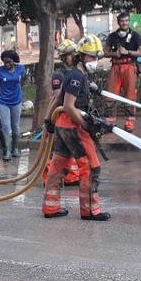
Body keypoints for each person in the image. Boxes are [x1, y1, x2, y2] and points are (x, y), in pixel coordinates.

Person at [42, 35, 111, 222]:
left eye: (96, 58)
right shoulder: (76, 77)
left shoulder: (76, 75)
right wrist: (87, 125)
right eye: (90, 57)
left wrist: (48, 120)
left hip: (62, 126)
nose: (94, 61)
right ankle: (89, 211)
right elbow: (69, 106)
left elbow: (58, 100)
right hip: (73, 126)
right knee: (90, 167)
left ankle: (51, 207)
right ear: (81, 56)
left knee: (58, 167)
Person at [44, 39, 82, 187]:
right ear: (64, 56)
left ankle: (70, 177)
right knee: (56, 151)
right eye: (72, 54)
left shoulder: (76, 72)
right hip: (59, 116)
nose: (75, 57)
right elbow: (58, 97)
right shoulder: (59, 75)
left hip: (71, 115)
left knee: (69, 150)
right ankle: (50, 179)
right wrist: (48, 120)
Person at [105, 13, 141, 132]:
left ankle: (129, 124)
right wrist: (114, 54)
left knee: (130, 97)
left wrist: (128, 52)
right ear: (118, 22)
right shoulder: (112, 36)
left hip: (129, 67)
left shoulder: (135, 36)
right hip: (115, 67)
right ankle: (109, 123)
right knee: (110, 96)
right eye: (122, 21)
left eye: (126, 20)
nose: (124, 23)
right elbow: (104, 52)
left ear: (129, 21)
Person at [0, 50, 26, 161]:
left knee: (16, 127)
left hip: (16, 101)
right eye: (4, 62)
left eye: (9, 62)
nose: (7, 65)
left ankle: (15, 148)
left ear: (14, 60)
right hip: (2, 102)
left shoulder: (21, 69)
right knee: (6, 127)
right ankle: (7, 151)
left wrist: (19, 91)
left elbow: (22, 80)